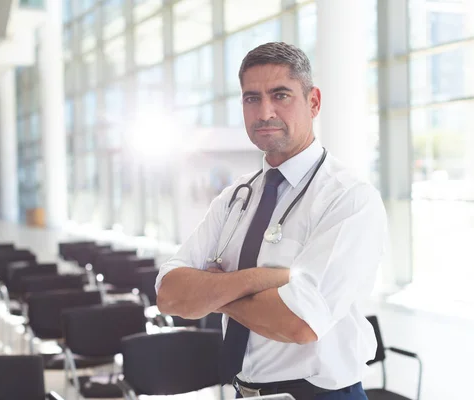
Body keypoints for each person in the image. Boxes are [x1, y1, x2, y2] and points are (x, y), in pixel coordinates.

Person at [156, 42, 387, 400]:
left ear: (313, 102)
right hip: (244, 392)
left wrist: (212, 294)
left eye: (280, 95)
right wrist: (260, 281)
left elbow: (298, 322)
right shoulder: (234, 198)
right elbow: (169, 295)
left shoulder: (348, 198)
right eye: (252, 98)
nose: (264, 112)